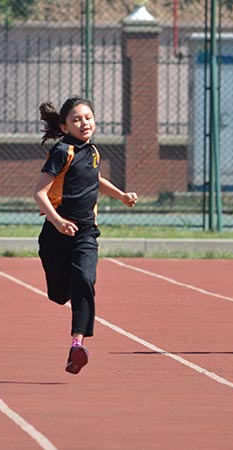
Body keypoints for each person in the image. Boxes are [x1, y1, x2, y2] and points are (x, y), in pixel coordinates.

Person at [33, 97, 138, 374]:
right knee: (58, 294)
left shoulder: (92, 152)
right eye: (77, 119)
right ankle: (73, 296)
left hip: (85, 233)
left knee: (85, 280)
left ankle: (77, 343)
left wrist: (122, 196)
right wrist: (56, 221)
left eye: (88, 117)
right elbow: (39, 193)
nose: (84, 123)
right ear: (65, 126)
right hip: (55, 235)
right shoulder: (62, 151)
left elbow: (95, 180)